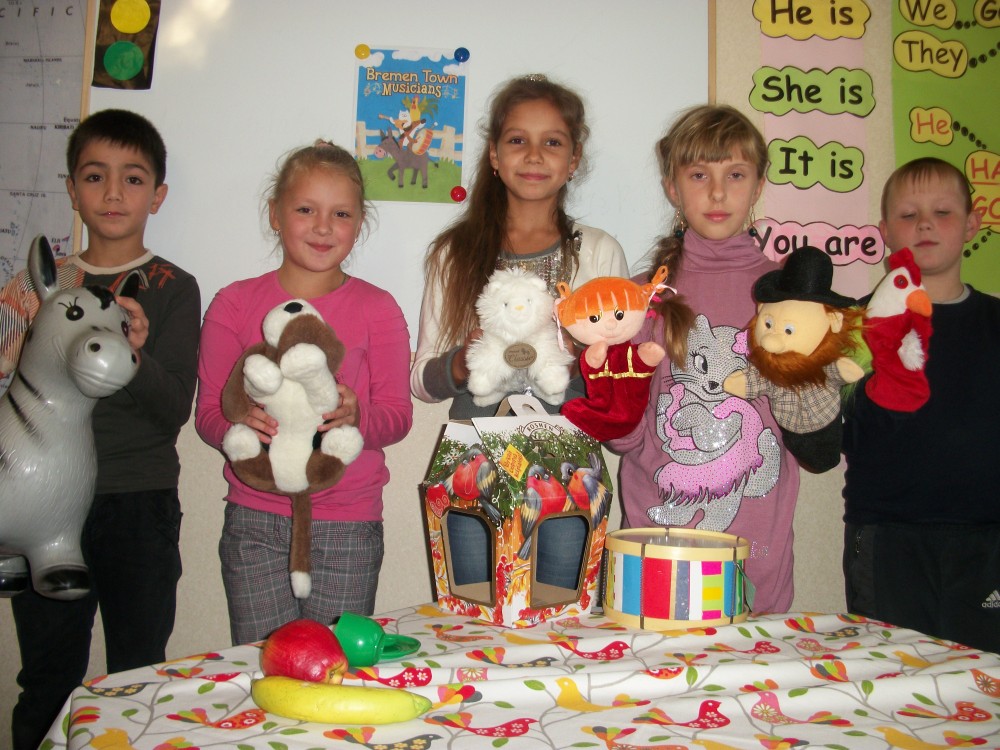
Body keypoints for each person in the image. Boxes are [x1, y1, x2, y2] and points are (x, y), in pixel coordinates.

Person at [0, 108, 201, 750]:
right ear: (71, 189)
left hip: (136, 502)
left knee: (138, 678)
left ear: (157, 195)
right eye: (95, 176)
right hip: (43, 509)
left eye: (133, 179)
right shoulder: (37, 289)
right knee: (47, 679)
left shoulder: (174, 288)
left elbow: (174, 410)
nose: (113, 193)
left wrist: (133, 354)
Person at [410, 74, 629, 591]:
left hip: (571, 461)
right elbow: (420, 380)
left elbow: (621, 382)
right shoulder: (454, 253)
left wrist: (579, 357)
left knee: (564, 614)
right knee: (475, 612)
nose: (533, 155)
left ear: (574, 159)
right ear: (494, 154)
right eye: (517, 140)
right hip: (474, 461)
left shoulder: (598, 251)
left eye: (552, 142)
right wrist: (461, 362)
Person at [195, 140, 412, 646]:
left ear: (359, 223)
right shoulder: (233, 303)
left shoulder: (378, 308)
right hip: (254, 520)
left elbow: (398, 417)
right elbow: (207, 414)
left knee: (335, 666)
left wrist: (358, 416)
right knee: (263, 660)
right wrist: (237, 420)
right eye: (305, 210)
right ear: (275, 214)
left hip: (348, 523)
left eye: (341, 214)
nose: (323, 227)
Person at [607, 104, 801, 615]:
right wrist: (607, 395)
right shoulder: (637, 298)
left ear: (758, 186)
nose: (717, 193)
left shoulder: (790, 297)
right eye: (699, 175)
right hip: (659, 534)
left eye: (735, 175)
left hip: (758, 541)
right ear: (672, 188)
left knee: (755, 664)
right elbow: (624, 434)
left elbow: (807, 422)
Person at [842, 157, 999, 653]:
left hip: (987, 540)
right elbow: (841, 432)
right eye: (909, 215)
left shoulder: (995, 322)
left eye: (942, 212)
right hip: (887, 536)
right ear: (886, 232)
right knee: (893, 676)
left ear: (972, 225)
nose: (925, 224)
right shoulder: (857, 328)